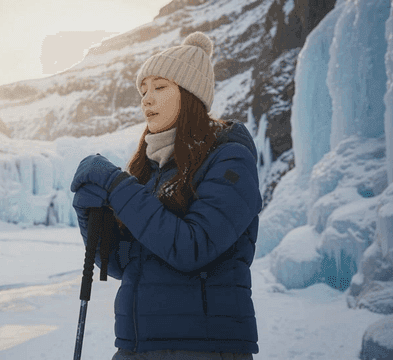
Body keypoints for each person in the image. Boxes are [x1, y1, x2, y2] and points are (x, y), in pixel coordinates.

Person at [70, 31, 261, 360]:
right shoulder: (151, 169)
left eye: (160, 87)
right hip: (135, 346)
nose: (146, 99)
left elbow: (193, 247)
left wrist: (117, 186)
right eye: (143, 91)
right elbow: (120, 264)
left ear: (189, 95)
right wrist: (90, 215)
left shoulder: (229, 158)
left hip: (204, 348)